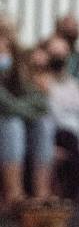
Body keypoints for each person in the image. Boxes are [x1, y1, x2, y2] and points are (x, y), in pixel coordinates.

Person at [0, 15, 56, 210]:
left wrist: (21, 110)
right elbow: (4, 104)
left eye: (6, 37)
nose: (3, 43)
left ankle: (42, 194)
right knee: (12, 124)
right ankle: (13, 193)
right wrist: (23, 110)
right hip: (6, 123)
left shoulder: (20, 65)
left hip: (15, 117)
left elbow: (41, 101)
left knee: (44, 123)